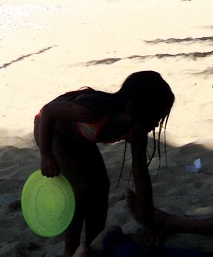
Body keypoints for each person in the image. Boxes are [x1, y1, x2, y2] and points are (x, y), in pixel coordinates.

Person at [35, 70, 176, 257]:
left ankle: (93, 243)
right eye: (155, 118)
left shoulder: (136, 128)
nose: (156, 125)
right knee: (82, 188)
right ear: (132, 109)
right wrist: (46, 155)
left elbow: (141, 177)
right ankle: (70, 249)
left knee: (101, 186)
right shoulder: (93, 111)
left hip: (81, 138)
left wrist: (148, 225)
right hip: (52, 131)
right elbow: (48, 112)